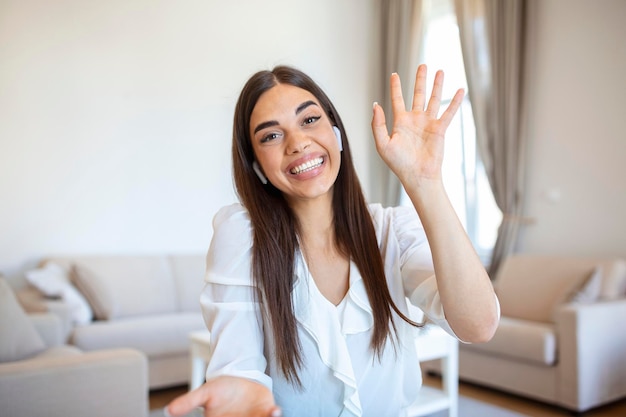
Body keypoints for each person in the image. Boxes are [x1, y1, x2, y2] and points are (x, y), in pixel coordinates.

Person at [166, 64, 500, 417]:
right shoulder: (242, 236)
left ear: (336, 131)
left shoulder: (392, 231)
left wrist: (425, 183)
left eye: (309, 120)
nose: (297, 143)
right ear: (257, 166)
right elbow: (238, 366)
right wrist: (242, 392)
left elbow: (477, 325)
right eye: (270, 136)